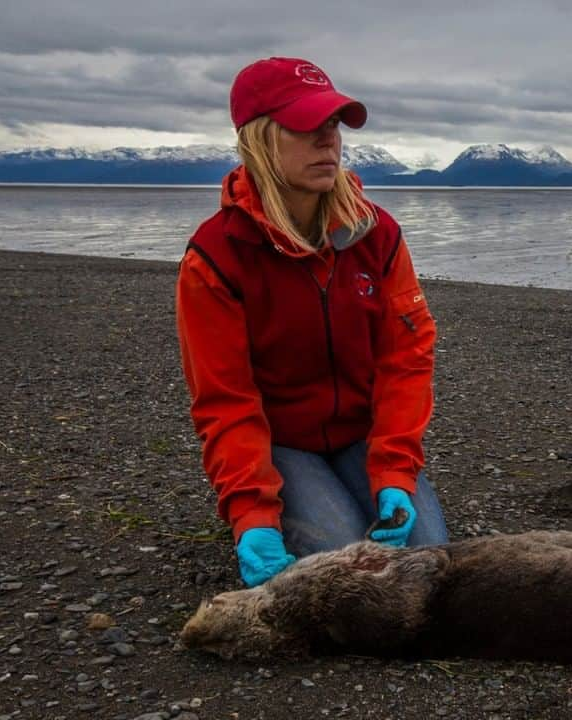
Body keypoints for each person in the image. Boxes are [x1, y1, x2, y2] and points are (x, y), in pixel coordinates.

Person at [175, 56, 448, 588]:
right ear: (258, 139)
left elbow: (406, 357)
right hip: (281, 443)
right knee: (341, 565)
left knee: (426, 556)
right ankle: (281, 510)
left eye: (334, 124)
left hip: (360, 435)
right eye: (306, 125)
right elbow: (225, 399)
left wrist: (394, 470)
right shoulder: (216, 257)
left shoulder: (377, 234)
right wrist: (253, 514)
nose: (328, 140)